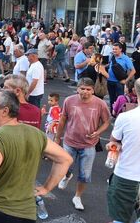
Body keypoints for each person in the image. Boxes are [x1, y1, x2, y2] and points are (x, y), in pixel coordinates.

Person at [0, 90, 73, 223]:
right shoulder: (35, 133)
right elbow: (66, 159)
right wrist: (46, 188)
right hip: (27, 214)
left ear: (5, 111)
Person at [54, 77, 111, 211]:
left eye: (88, 89)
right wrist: (57, 138)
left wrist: (98, 132)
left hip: (89, 144)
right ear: (78, 89)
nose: (85, 92)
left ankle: (77, 197)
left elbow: (107, 122)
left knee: (85, 175)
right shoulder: (69, 100)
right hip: (69, 141)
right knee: (64, 167)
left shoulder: (100, 104)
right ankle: (67, 176)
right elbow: (62, 120)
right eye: (82, 88)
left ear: (93, 90)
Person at [106, 78, 140, 223]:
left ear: (135, 91)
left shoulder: (125, 118)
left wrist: (114, 145)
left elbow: (113, 142)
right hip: (128, 177)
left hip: (126, 176)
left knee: (120, 220)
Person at [107, 42, 135, 109]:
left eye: (116, 49)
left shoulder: (126, 58)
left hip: (119, 82)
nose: (114, 50)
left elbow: (133, 71)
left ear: (121, 49)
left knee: (120, 100)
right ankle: (113, 114)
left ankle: (119, 115)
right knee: (112, 99)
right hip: (110, 81)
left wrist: (126, 81)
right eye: (113, 49)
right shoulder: (111, 56)